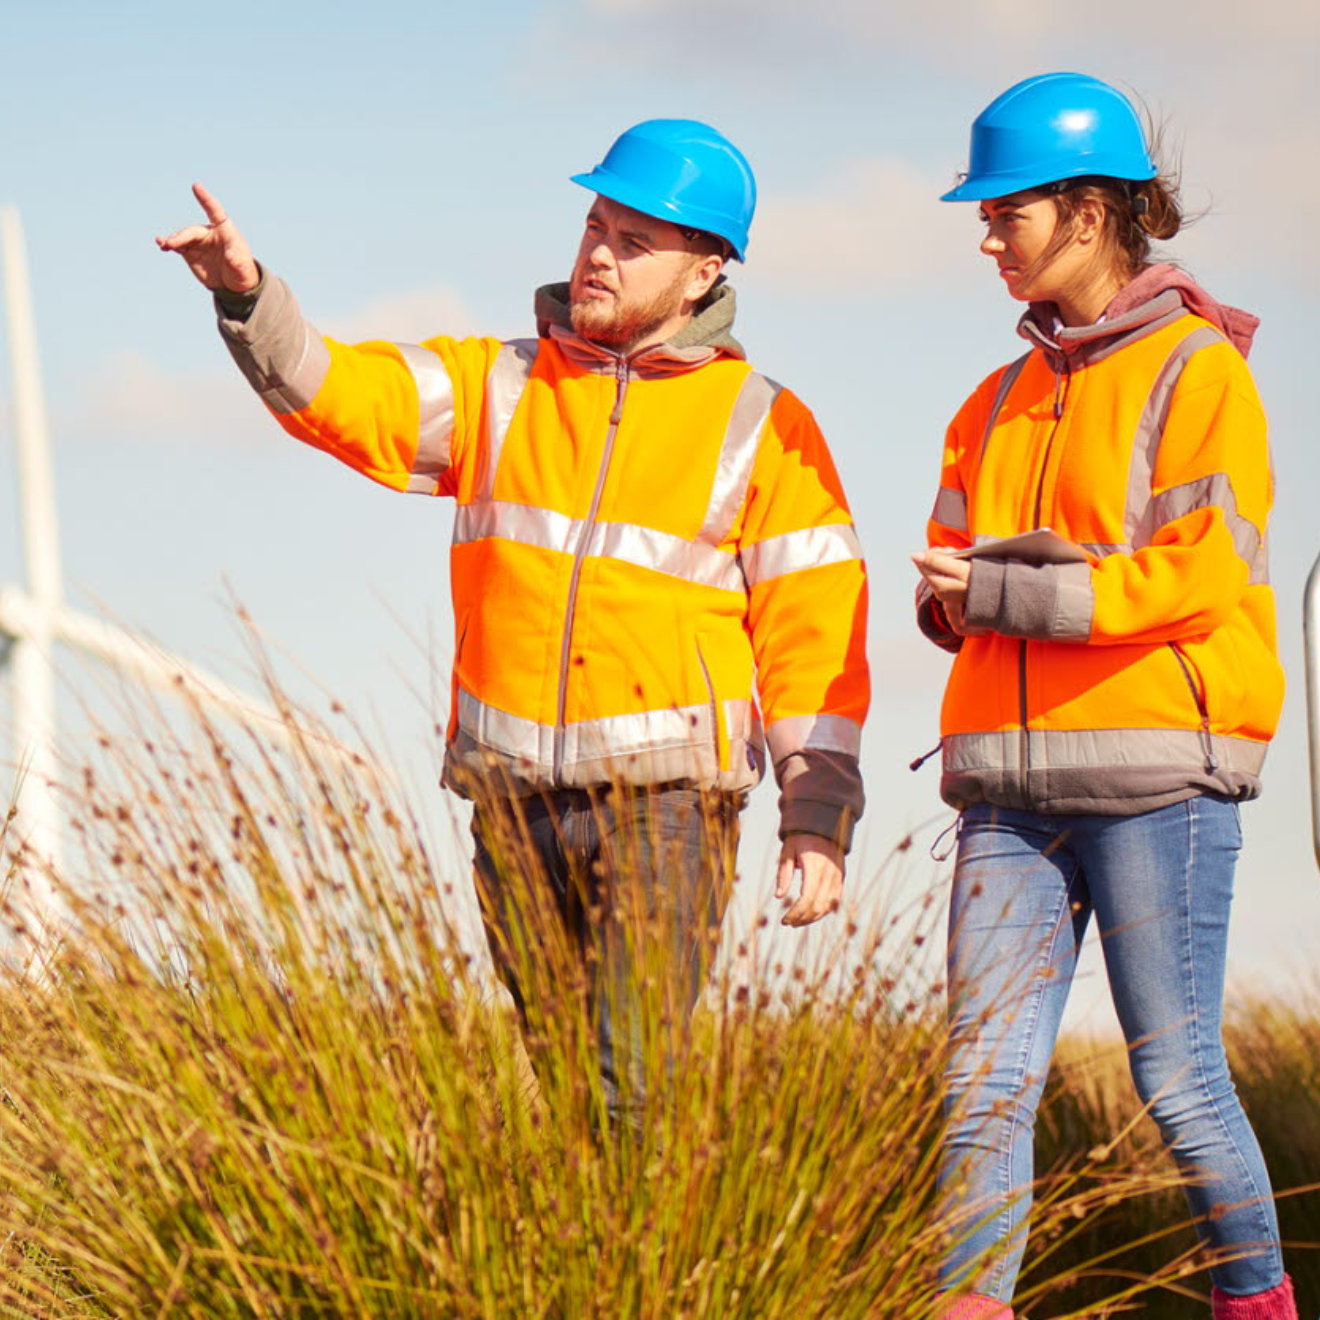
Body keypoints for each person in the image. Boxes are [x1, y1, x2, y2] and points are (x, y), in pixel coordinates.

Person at [158, 119, 870, 1123]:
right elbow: (334, 391)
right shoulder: (497, 382)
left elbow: (814, 628)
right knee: (568, 1094)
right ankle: (590, 1283)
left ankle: (642, 1283)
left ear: (706, 272)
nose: (597, 255)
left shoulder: (763, 423)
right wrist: (246, 295)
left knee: (629, 1095)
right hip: (512, 803)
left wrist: (818, 814)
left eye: (634, 241)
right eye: (594, 226)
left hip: (666, 811)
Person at [912, 74, 1295, 1319]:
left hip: (1158, 787)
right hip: (1005, 801)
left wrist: (1008, 596)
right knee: (979, 1087)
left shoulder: (1199, 373)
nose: (985, 236)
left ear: (1086, 213)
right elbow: (950, 561)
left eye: (1003, 210)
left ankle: (1257, 1304)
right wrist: (948, 598)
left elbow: (1205, 575)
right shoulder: (994, 398)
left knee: (1178, 1077)